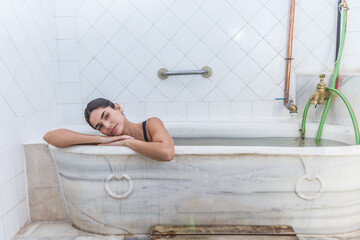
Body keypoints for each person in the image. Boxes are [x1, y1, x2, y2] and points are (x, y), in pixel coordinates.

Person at [43, 98, 175, 162]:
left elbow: (167, 153)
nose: (107, 126)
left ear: (118, 108)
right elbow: (49, 137)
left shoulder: (151, 124)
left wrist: (127, 142)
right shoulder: (107, 140)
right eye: (99, 126)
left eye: (106, 116)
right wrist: (100, 139)